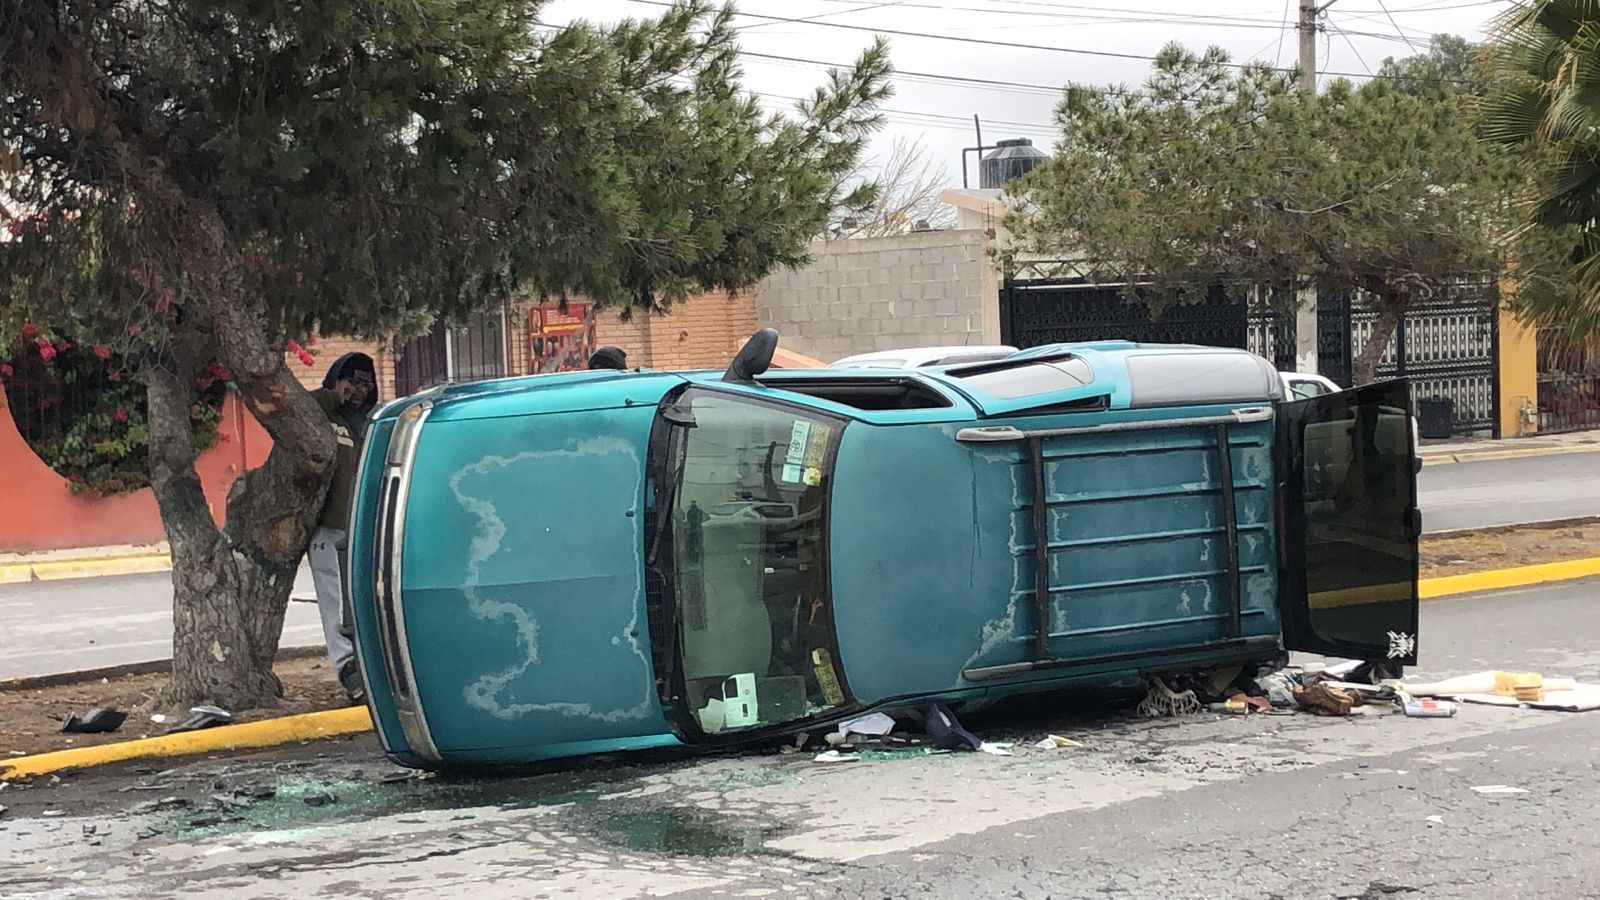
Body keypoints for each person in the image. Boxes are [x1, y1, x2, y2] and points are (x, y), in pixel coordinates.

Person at [309, 352, 377, 704]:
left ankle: (371, 666)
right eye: (352, 382)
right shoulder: (323, 415)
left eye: (366, 384)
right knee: (335, 604)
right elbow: (300, 409)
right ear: (337, 380)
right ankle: (348, 669)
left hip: (363, 529)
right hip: (330, 529)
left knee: (366, 600)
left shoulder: (367, 424)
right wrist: (332, 396)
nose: (359, 390)